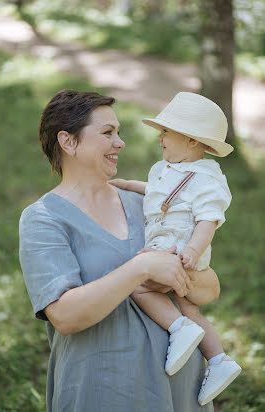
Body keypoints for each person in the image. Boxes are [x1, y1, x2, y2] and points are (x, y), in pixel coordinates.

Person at [19, 89, 218, 412]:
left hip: (181, 394)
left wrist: (179, 274)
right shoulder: (43, 218)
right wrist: (142, 269)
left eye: (119, 132)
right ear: (68, 142)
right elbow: (66, 316)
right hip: (102, 393)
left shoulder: (148, 204)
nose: (120, 142)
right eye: (107, 133)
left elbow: (210, 289)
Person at [111, 92, 241, 406]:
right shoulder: (166, 169)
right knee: (191, 306)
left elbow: (208, 220)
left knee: (137, 285)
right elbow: (158, 193)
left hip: (178, 248)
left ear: (193, 141)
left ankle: (178, 328)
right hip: (174, 249)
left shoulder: (207, 178)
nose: (160, 137)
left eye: (167, 131)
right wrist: (128, 184)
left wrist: (194, 252)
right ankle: (220, 360)